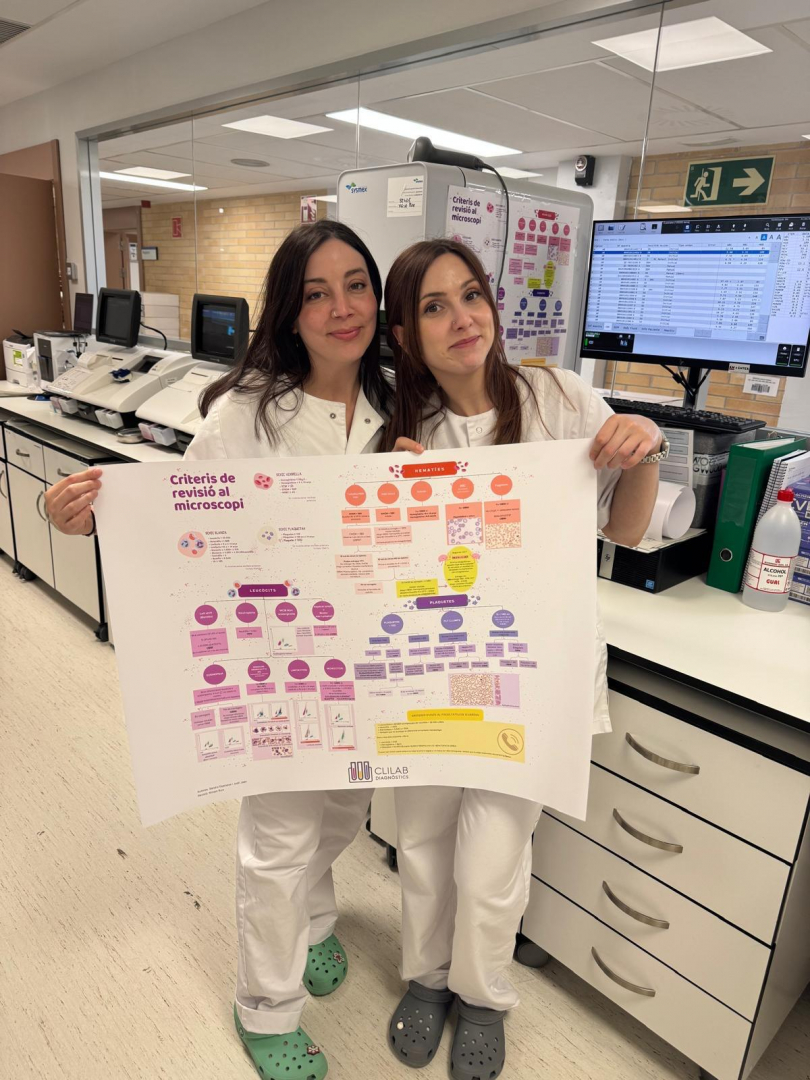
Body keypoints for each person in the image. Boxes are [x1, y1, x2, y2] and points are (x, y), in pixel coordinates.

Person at [43, 219, 393, 1080]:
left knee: (343, 813)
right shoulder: (250, 411)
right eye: (316, 293)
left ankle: (314, 920)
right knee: (279, 840)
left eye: (356, 285)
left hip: (369, 665)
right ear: (290, 312)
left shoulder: (402, 403)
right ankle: (265, 1007)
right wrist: (96, 511)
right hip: (276, 663)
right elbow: (182, 511)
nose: (342, 308)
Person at [380, 238, 663, 1080]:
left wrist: (644, 446)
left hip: (530, 674)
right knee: (422, 840)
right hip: (431, 667)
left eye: (472, 295)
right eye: (435, 307)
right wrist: (392, 498)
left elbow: (627, 529)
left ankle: (484, 994)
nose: (463, 319)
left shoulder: (558, 396)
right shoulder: (400, 430)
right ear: (405, 335)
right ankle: (427, 978)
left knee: (493, 857)